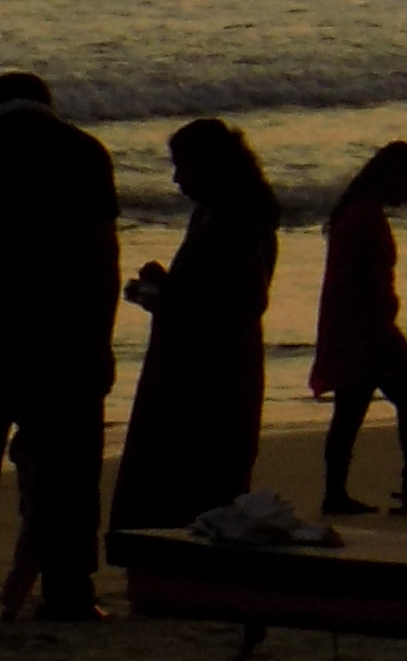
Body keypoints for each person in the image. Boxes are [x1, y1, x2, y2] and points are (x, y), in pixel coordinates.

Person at [107, 119, 281, 535]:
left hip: (208, 372)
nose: (177, 179)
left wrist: (161, 296)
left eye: (182, 167)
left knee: (191, 477)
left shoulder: (235, 221)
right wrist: (166, 289)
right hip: (206, 365)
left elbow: (236, 302)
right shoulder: (222, 215)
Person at [0, 73, 122, 622]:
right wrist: (100, 337)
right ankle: (69, 588)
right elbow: (102, 254)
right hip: (66, 337)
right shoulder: (85, 152)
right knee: (68, 475)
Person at [310, 141, 407, 518]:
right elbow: (364, 280)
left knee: (352, 406)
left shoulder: (354, 213)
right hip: (367, 326)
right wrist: (381, 318)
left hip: (352, 324)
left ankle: (338, 493)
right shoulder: (365, 218)